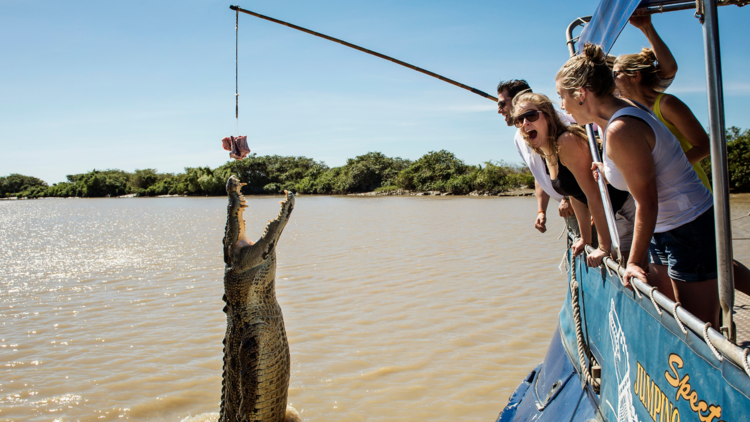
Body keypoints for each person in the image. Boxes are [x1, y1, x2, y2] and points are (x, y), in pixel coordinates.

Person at [556, 43, 718, 327]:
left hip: (687, 225)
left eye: (562, 96)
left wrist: (632, 262)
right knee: (670, 317)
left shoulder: (620, 128)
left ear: (581, 94)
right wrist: (608, 170)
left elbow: (647, 201)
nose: (561, 106)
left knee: (699, 327)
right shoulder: (615, 116)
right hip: (664, 227)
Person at [512, 92, 635, 267]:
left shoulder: (566, 141)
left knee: (626, 272)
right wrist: (585, 238)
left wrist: (603, 247)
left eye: (531, 115)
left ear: (547, 116)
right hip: (611, 214)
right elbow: (575, 195)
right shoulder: (546, 152)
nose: (525, 123)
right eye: (519, 119)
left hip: (625, 208)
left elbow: (594, 195)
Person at [613, 49, 711, 190]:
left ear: (635, 75)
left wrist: (662, 171)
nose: (613, 81)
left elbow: (704, 147)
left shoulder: (667, 104)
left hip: (693, 191)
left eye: (615, 74)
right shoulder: (633, 113)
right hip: (663, 196)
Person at [496, 80, 574, 234]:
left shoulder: (553, 123)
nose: (499, 110)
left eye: (502, 104)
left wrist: (570, 197)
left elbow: (578, 165)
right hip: (568, 209)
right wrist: (541, 211)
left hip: (582, 203)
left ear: (519, 99)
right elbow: (539, 174)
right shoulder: (519, 136)